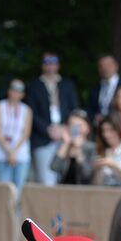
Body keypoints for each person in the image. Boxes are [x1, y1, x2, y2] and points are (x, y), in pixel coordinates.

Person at [28, 53, 81, 185]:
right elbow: (31, 113)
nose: (50, 66)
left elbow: (75, 110)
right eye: (47, 63)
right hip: (43, 138)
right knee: (46, 178)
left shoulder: (67, 85)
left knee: (65, 177)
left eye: (53, 63)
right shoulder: (35, 85)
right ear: (43, 66)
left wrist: (66, 129)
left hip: (66, 136)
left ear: (58, 66)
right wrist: (47, 130)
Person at [0, 80, 33, 197]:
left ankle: (16, 215)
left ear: (22, 94)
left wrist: (13, 151)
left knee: (19, 189)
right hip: (2, 152)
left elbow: (26, 133)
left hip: (20, 154)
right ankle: (3, 214)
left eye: (19, 91)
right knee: (3, 189)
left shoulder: (26, 110)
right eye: (13, 90)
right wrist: (9, 151)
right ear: (9, 91)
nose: (15, 93)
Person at [50, 110, 96, 185]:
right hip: (63, 190)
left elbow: (87, 174)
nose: (76, 129)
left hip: (84, 192)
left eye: (79, 126)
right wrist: (65, 144)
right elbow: (54, 167)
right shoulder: (64, 145)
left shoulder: (91, 147)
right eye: (72, 125)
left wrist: (78, 151)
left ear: (88, 128)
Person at [87, 54, 121, 121]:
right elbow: (90, 109)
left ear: (116, 66)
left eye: (108, 65)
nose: (105, 68)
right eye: (101, 66)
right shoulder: (95, 88)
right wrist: (95, 117)